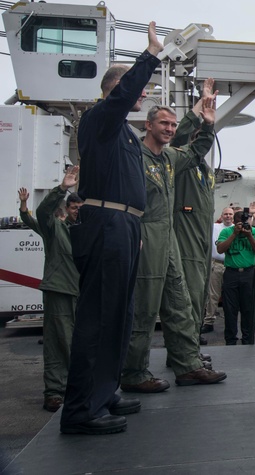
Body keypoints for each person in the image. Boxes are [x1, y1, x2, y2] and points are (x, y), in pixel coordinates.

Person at [61, 23, 161, 435]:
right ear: (115, 88)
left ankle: (105, 389)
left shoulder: (124, 133)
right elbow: (122, 96)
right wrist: (150, 57)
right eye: (137, 89)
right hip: (106, 224)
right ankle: (82, 408)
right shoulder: (101, 117)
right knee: (99, 317)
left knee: (120, 315)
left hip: (124, 225)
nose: (142, 97)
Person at [121, 99, 226, 392]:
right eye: (163, 124)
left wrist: (208, 123)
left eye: (172, 124)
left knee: (180, 305)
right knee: (144, 309)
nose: (169, 129)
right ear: (148, 125)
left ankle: (187, 365)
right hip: (147, 238)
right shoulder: (134, 157)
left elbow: (194, 151)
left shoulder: (168, 160)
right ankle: (133, 372)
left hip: (169, 242)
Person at [18, 168, 82, 413]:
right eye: (74, 208)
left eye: (81, 208)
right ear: (67, 209)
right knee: (57, 343)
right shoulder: (55, 229)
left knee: (77, 343)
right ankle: (55, 392)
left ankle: (74, 388)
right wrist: (62, 188)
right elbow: (42, 214)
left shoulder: (85, 233)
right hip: (59, 292)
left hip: (80, 295)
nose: (78, 212)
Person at [171, 80, 218, 350]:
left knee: (199, 296)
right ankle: (184, 353)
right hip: (186, 240)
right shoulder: (180, 162)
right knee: (186, 295)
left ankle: (191, 349)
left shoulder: (205, 171)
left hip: (202, 244)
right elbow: (179, 137)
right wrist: (201, 105)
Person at [216, 207, 255, 344]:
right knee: (230, 309)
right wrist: (234, 234)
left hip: (249, 273)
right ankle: (230, 340)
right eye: (240, 223)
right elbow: (220, 249)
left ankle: (248, 339)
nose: (243, 226)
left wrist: (249, 236)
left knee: (248, 308)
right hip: (231, 273)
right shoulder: (227, 231)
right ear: (234, 222)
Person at [203, 207, 234, 333]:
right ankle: (209, 321)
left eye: (230, 214)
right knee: (212, 295)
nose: (228, 216)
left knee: (230, 296)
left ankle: (230, 321)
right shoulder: (215, 227)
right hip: (216, 264)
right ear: (222, 216)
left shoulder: (236, 229)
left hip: (231, 265)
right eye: (225, 214)